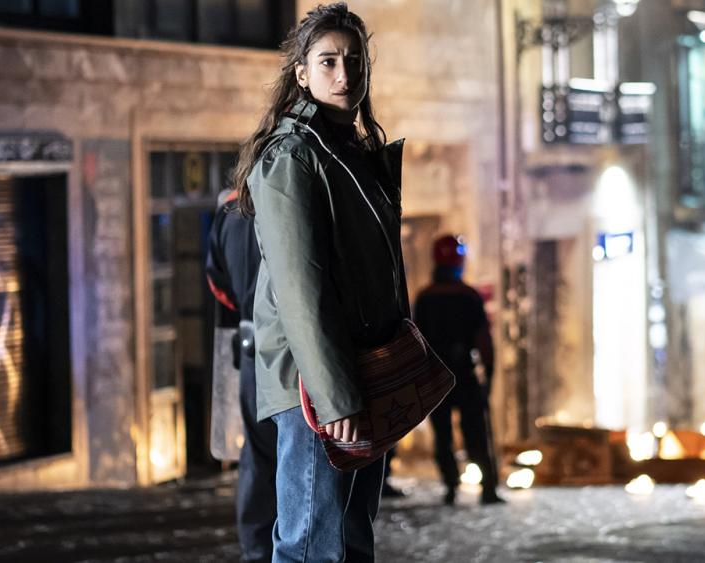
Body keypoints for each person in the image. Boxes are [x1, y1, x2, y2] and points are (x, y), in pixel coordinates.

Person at [230, 4, 407, 560]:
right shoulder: (292, 156)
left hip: (361, 374)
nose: (344, 74)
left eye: (354, 61)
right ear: (302, 73)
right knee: (311, 546)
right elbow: (299, 291)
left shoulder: (349, 153)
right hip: (317, 389)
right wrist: (335, 399)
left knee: (351, 542)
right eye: (328, 61)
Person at [205, 189, 277, 563]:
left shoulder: (227, 213)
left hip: (249, 346)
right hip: (289, 347)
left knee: (258, 452)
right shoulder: (286, 197)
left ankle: (257, 547)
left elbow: (217, 282)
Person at [415, 235, 503, 505]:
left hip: (435, 376)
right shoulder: (468, 297)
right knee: (476, 432)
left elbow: (416, 340)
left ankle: (451, 485)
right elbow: (483, 339)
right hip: (464, 373)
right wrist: (489, 374)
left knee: (443, 435)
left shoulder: (426, 298)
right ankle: (488, 488)